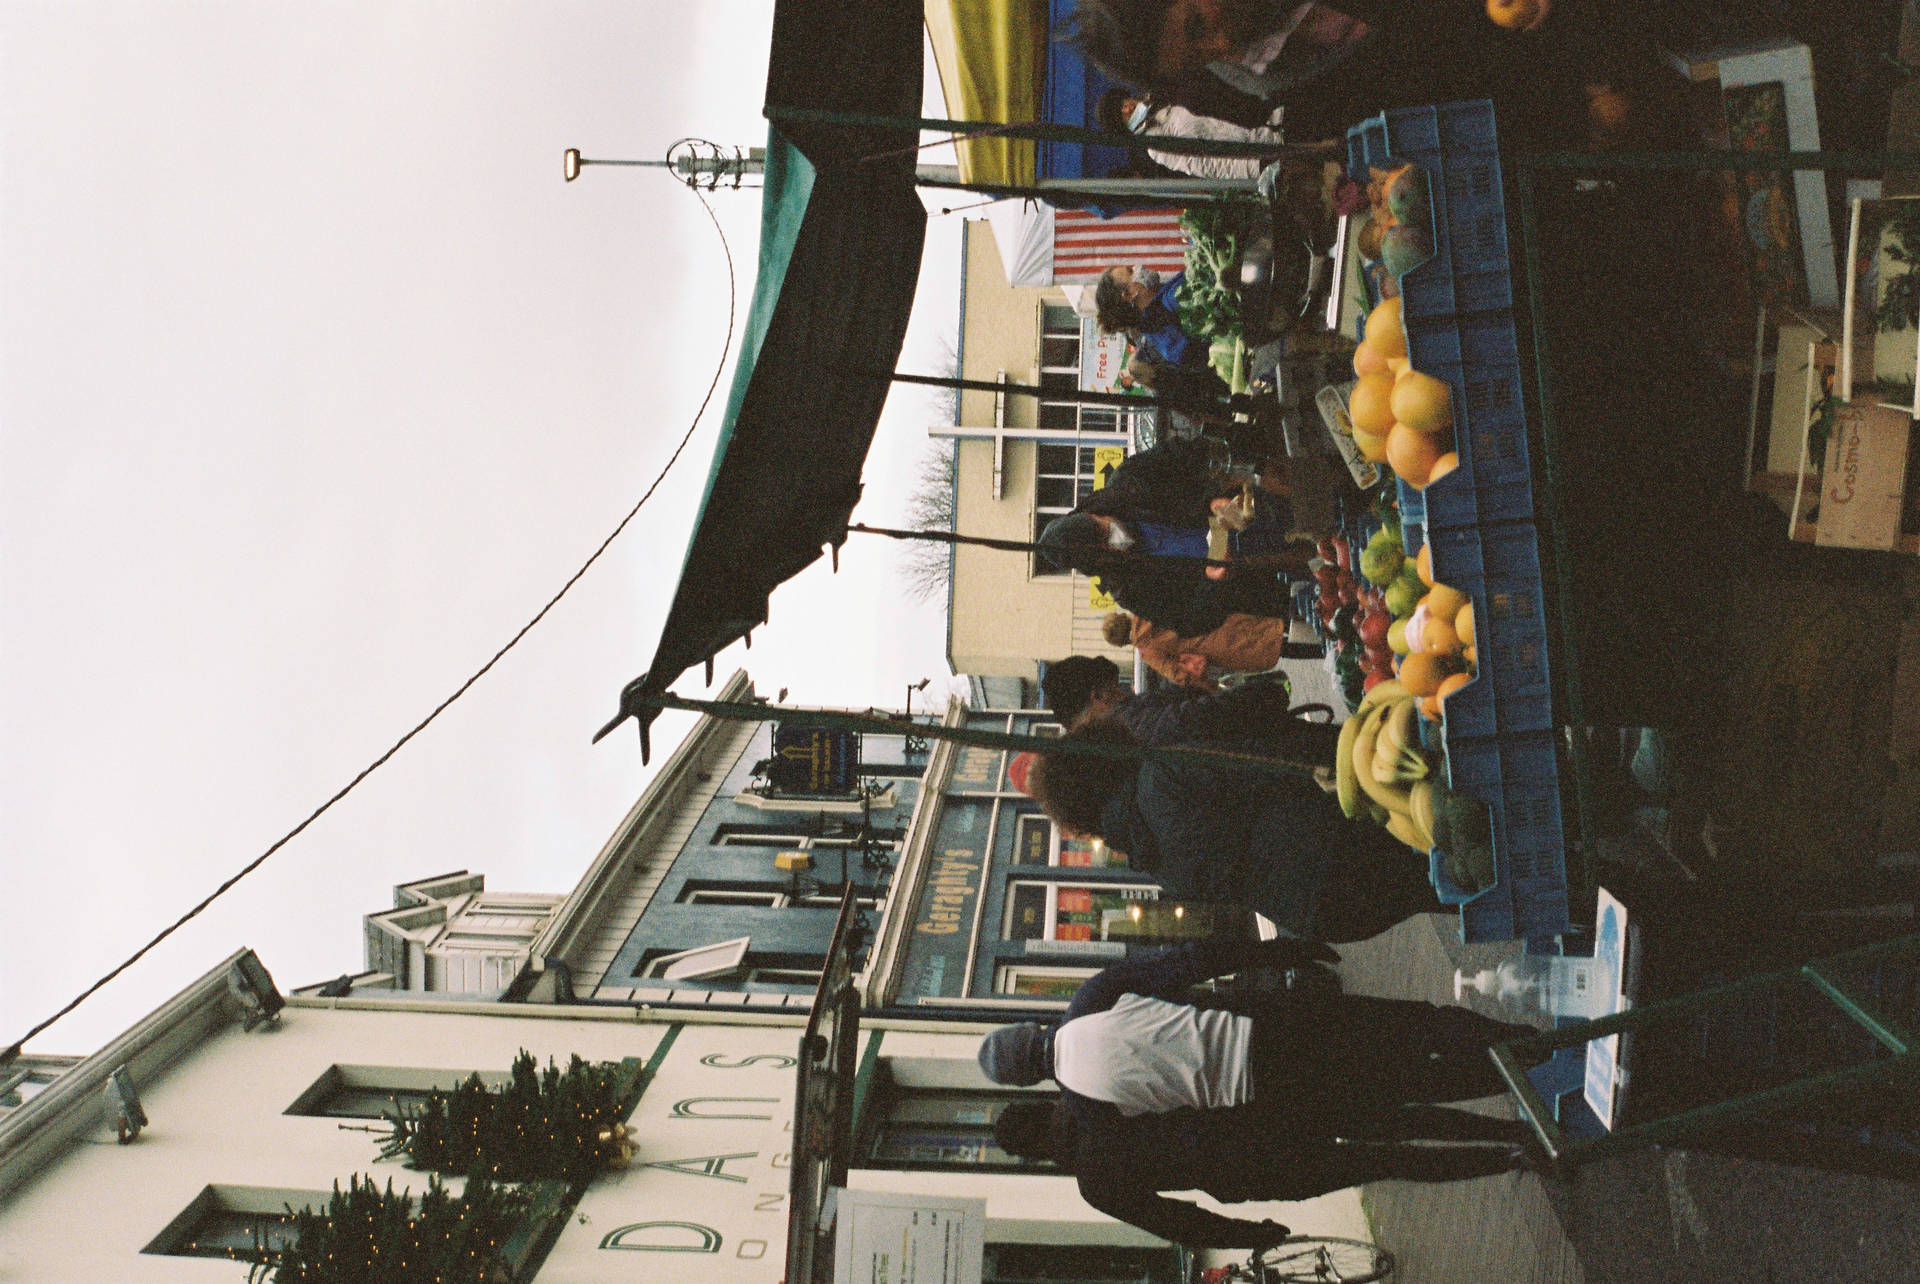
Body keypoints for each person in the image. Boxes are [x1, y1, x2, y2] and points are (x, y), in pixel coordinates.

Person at [976, 935, 1537, 1246]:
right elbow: (1191, 960)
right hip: (1272, 1022)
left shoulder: (1097, 1120)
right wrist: (1280, 952)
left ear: (1030, 1081)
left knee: (1395, 1131)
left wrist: (1250, 1229)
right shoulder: (1095, 997)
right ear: (1032, 1035)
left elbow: (1184, 1176)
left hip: (1267, 1098)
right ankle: (1529, 1046)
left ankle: (1516, 1140)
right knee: (1409, 1027)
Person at [1027, 716, 1442, 940]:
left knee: (1458, 884)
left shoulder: (1150, 862)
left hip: (1325, 915)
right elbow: (1280, 763)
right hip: (1343, 845)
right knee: (1465, 839)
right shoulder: (1163, 772)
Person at [1061, 0, 1664, 152]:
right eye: (1200, 56)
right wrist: (1573, 108)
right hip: (1578, 67)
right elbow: (1441, 91)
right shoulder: (1268, 83)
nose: (1221, 42)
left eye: (1196, 22)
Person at [1038, 438, 1306, 637]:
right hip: (1272, 580)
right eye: (1103, 549)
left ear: (1093, 514)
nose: (1112, 539)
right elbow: (1192, 621)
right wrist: (1213, 583)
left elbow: (1188, 453)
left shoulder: (1130, 481)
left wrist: (1214, 494)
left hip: (1271, 506)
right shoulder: (1130, 590)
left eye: (1101, 531)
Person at [1039, 652, 1339, 763]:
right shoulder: (1125, 725)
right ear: (1099, 696)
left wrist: (1194, 683)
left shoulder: (1110, 748)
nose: (1123, 692)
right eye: (1114, 687)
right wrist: (1265, 693)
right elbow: (1202, 719)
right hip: (1284, 755)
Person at [1096, 85, 1286, 181]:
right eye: (1121, 115)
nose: (1126, 108)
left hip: (1276, 117)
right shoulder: (1155, 146)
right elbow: (1206, 166)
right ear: (1123, 128)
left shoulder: (1162, 94)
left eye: (1122, 103)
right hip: (1269, 150)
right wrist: (1256, 166)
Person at [1102, 607, 1318, 689]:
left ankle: (1328, 649)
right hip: (1225, 620)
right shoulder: (1148, 608)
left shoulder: (1148, 651)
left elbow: (1180, 675)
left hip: (1223, 648)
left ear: (1121, 642)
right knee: (1281, 624)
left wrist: (1208, 686)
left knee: (1284, 648)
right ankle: (1327, 622)